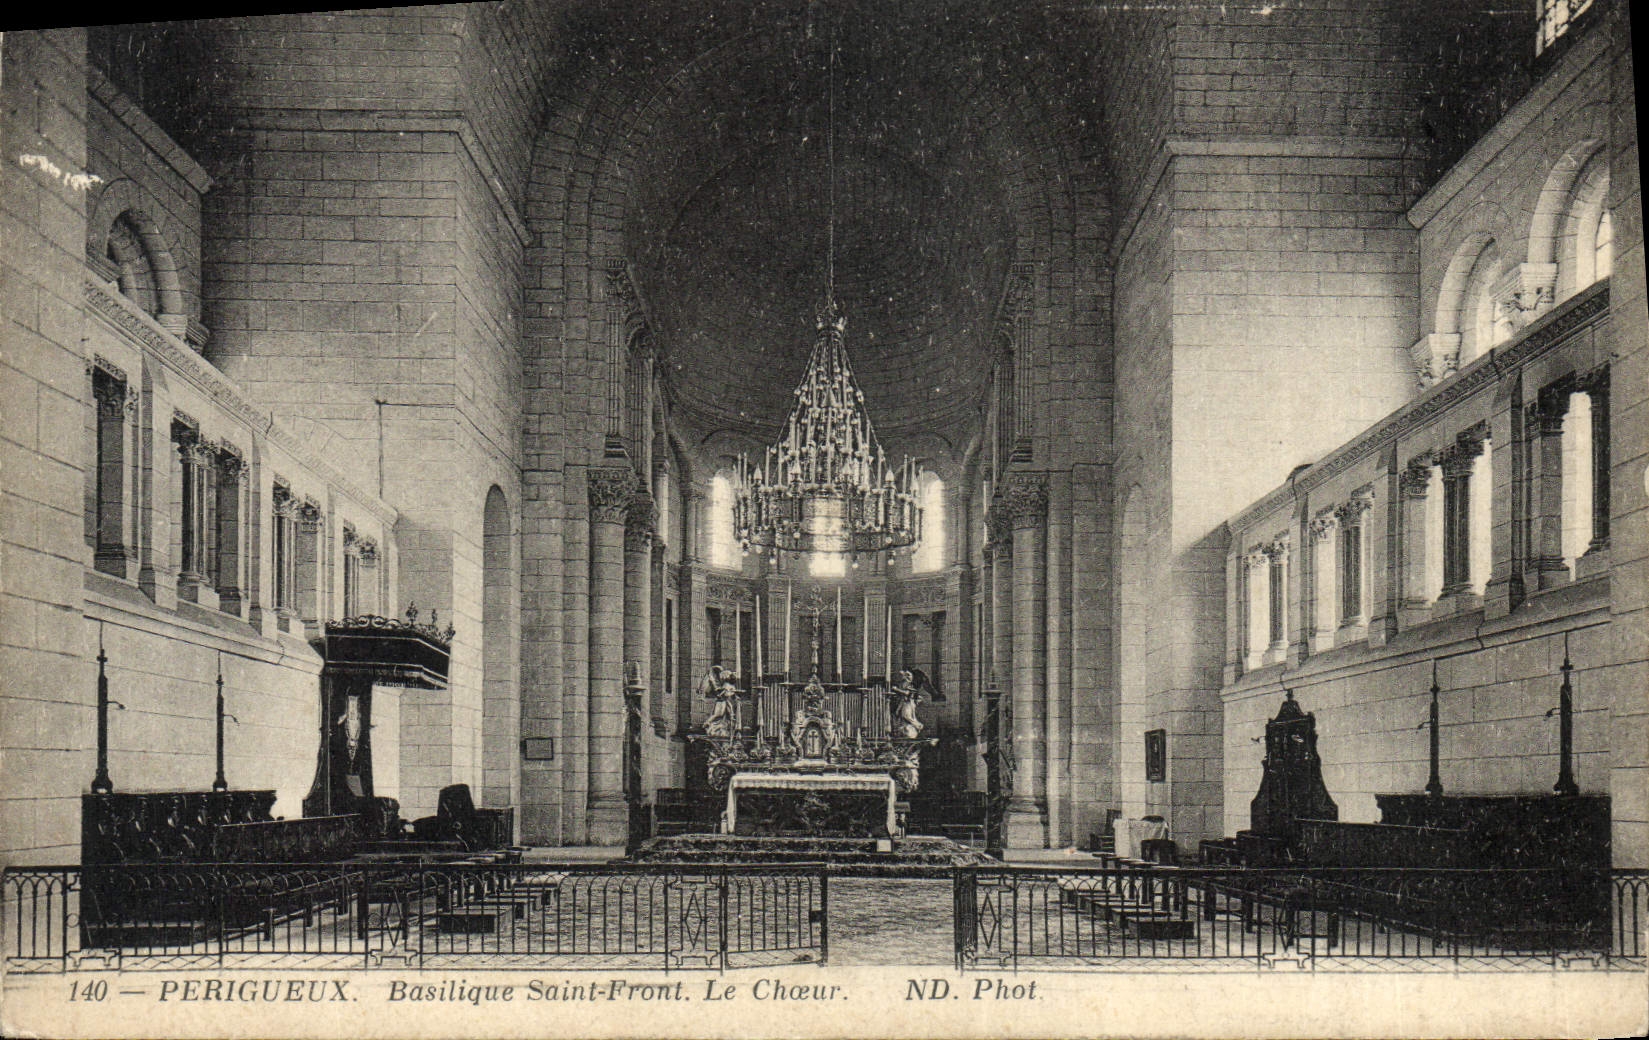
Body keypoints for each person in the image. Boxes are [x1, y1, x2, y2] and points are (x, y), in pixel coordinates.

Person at [702, 666, 741, 738]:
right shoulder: (726, 685)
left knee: (729, 714)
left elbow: (730, 693)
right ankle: (707, 723)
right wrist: (727, 693)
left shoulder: (730, 685)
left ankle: (725, 729)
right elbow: (725, 693)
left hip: (726, 701)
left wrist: (734, 695)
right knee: (719, 714)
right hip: (721, 701)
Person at [890, 669, 924, 739]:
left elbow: (907, 693)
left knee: (906, 715)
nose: (907, 676)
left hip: (908, 702)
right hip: (903, 702)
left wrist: (896, 690)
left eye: (909, 675)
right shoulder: (903, 684)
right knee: (901, 716)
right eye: (905, 675)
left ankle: (918, 725)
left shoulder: (909, 685)